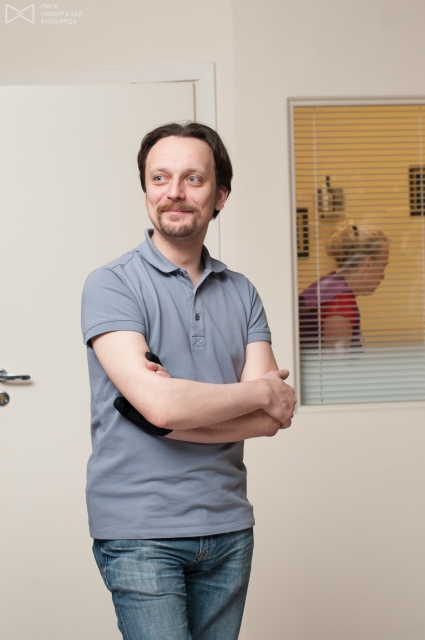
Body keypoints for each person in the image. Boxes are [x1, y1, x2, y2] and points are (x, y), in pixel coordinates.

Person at [81, 122, 297, 640]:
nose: (174, 191)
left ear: (220, 195)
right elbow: (164, 406)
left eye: (193, 178)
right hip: (140, 530)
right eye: (160, 178)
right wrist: (257, 390)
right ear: (146, 189)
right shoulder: (111, 284)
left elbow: (271, 418)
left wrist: (171, 414)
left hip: (228, 524)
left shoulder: (241, 291)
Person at [299, 223, 389, 351]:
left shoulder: (326, 286)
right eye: (382, 266)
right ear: (367, 264)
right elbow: (336, 361)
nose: (383, 276)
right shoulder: (340, 302)